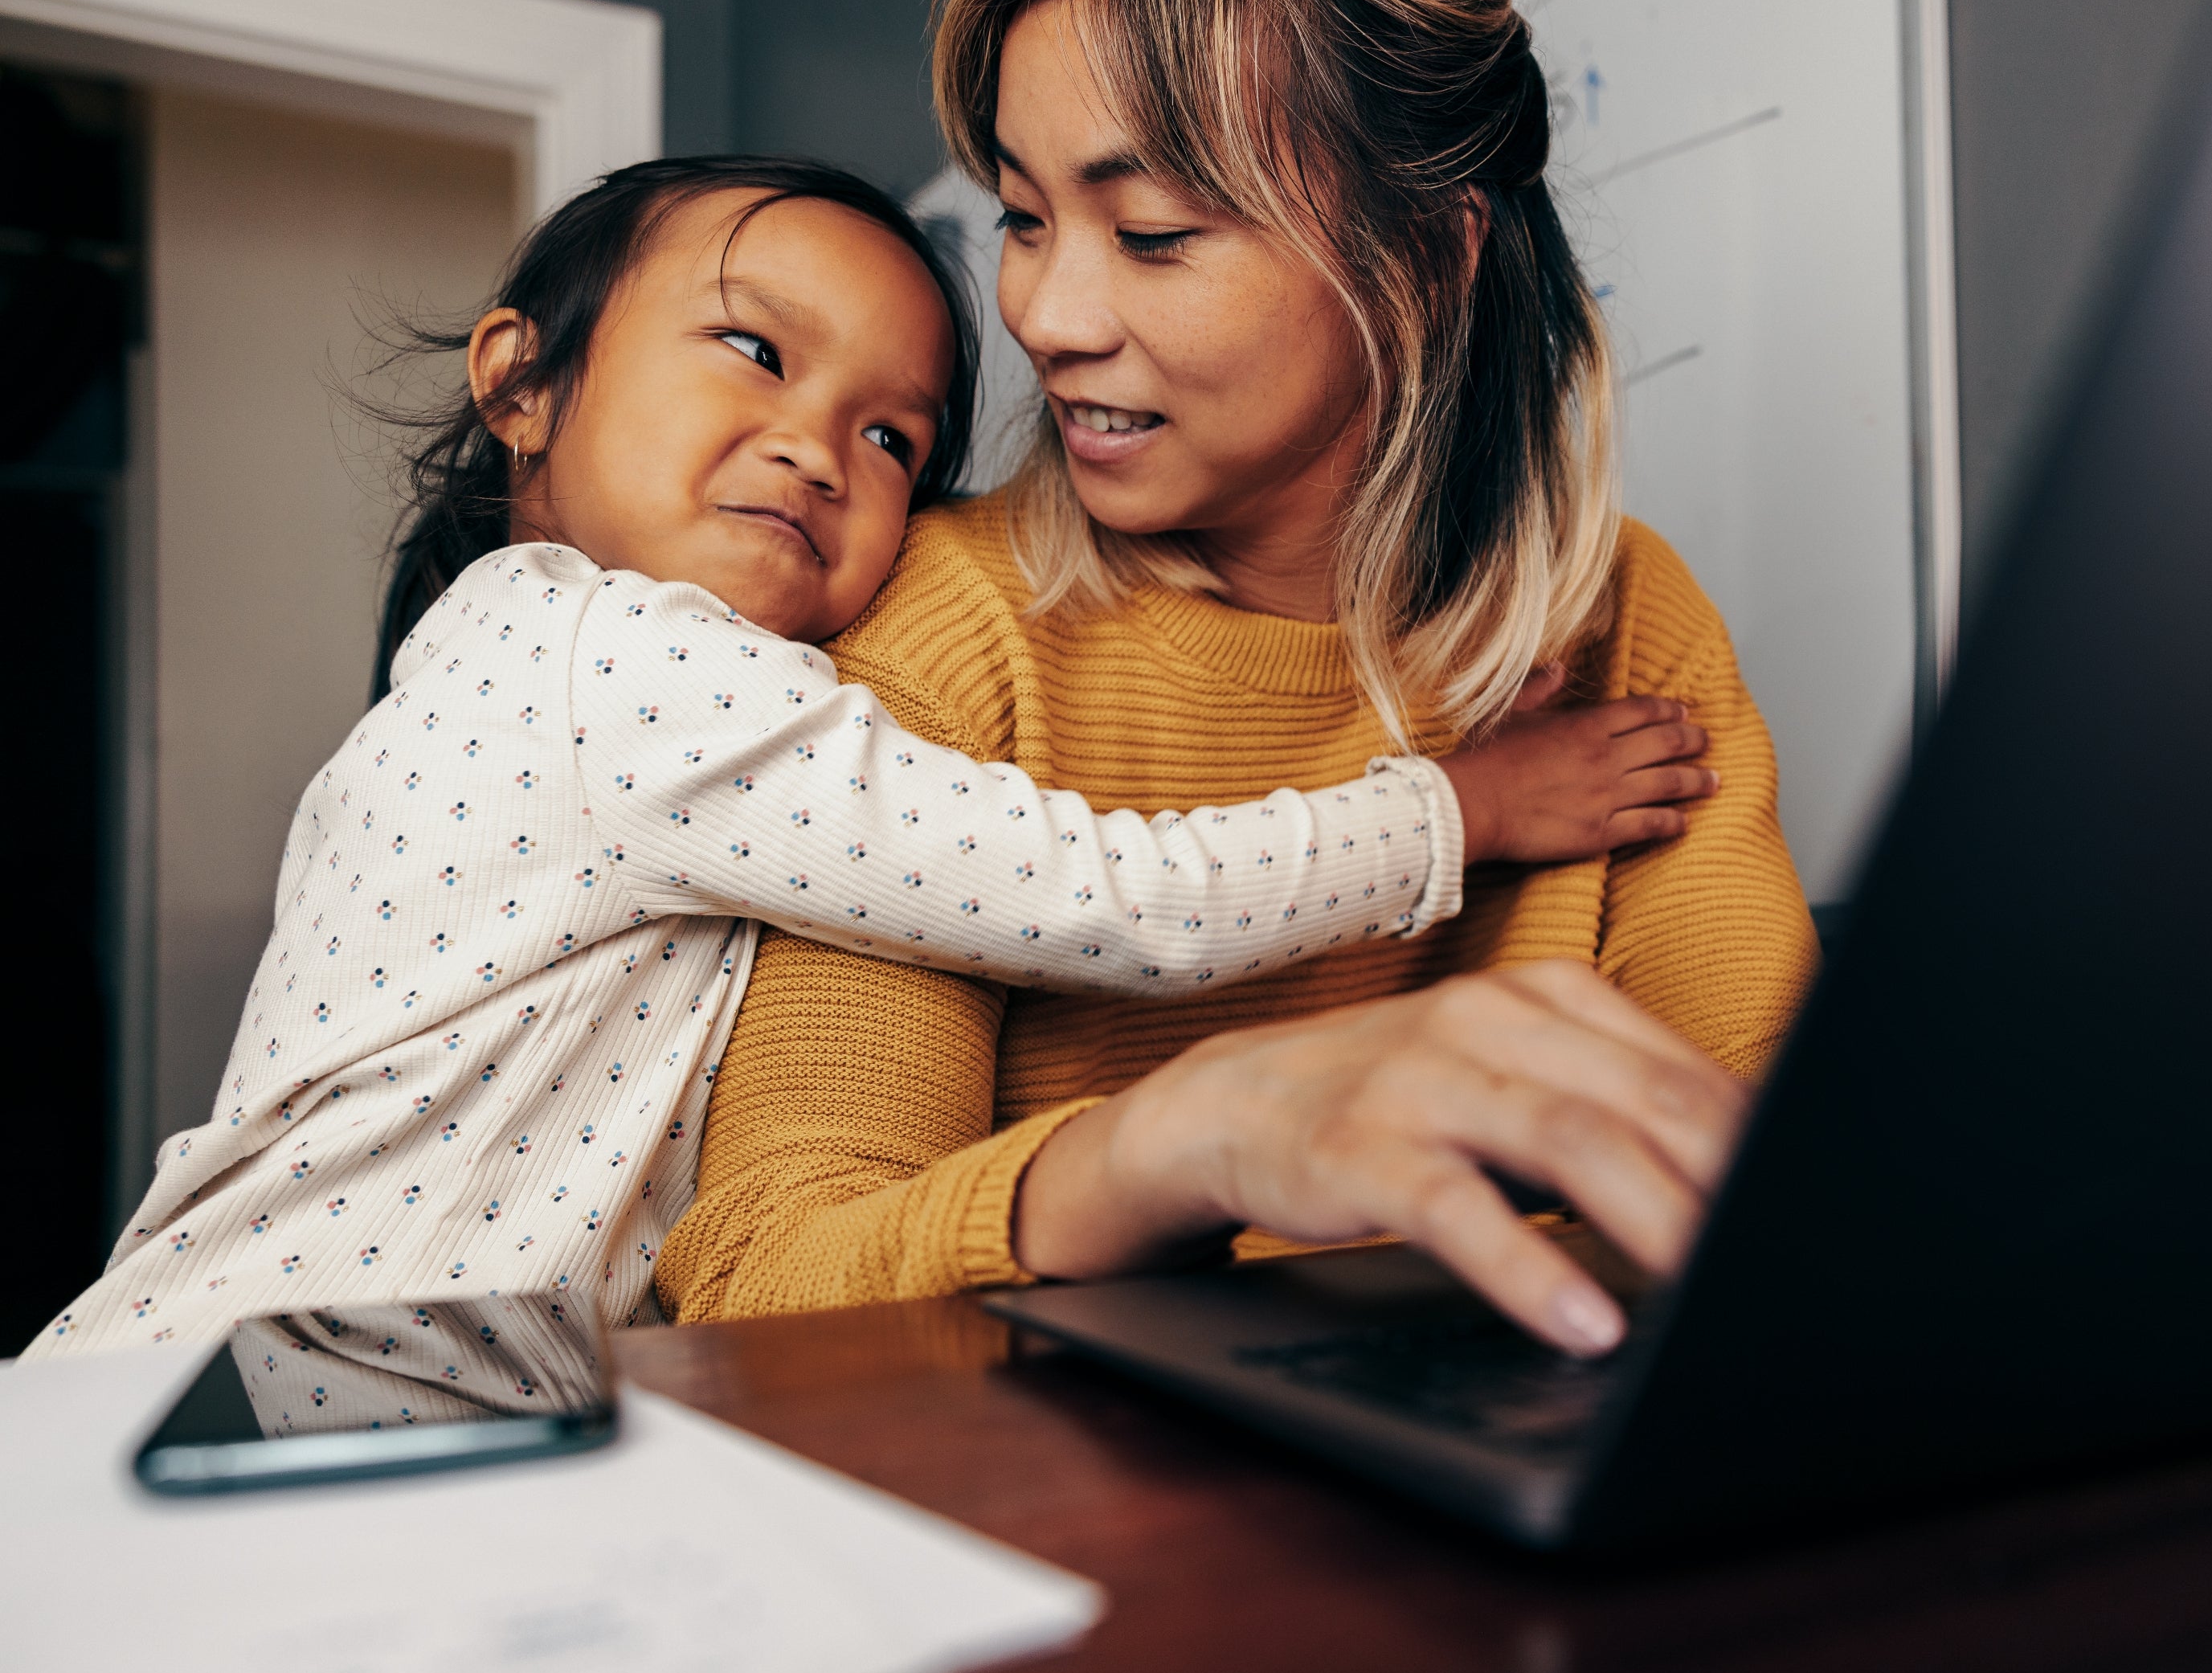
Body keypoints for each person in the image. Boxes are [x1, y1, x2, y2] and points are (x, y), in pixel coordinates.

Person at [24, 154, 1715, 1358]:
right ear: (520, 381)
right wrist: (1454, 811)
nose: (817, 448)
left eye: (892, 433)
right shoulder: (596, 649)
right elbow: (1092, 887)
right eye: (756, 350)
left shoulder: (566, 672)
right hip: (221, 1384)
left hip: (373, 1400)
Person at [658, 0, 1822, 1360]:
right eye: (1023, 219)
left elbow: (1783, 1186)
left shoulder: (1626, 616)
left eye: (1152, 234)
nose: (1046, 313)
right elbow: (763, 1279)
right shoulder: (943, 639)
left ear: (1428, 254)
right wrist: (1174, 1144)